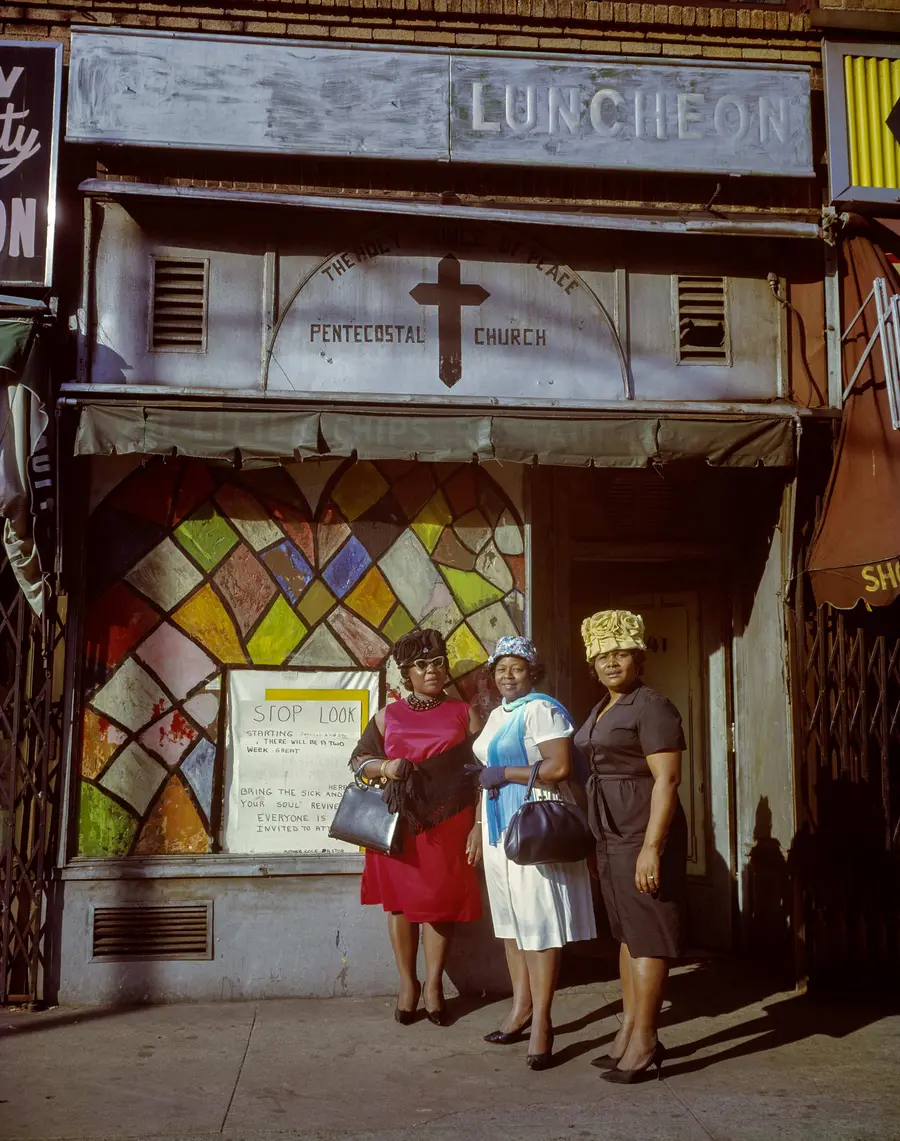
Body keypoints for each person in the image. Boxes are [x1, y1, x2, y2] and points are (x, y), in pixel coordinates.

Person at [468, 635, 596, 1071]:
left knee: (538, 925)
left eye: (516, 667)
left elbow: (558, 767)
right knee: (511, 925)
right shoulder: (497, 715)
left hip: (533, 825)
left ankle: (543, 1019)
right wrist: (476, 824)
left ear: (532, 672)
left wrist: (504, 771)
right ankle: (520, 1008)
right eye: (501, 668)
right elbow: (483, 775)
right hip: (497, 828)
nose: (507, 675)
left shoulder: (541, 708)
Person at [574, 609, 687, 1084]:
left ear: (638, 657)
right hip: (610, 834)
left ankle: (646, 1040)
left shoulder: (651, 705)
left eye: (620, 653)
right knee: (625, 935)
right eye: (602, 655)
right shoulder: (603, 707)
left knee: (647, 936)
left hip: (641, 832)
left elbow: (668, 780)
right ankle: (628, 1030)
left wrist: (651, 847)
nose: (611, 662)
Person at [351, 629, 482, 1026]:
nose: (432, 671)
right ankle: (408, 984)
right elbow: (358, 761)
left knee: (440, 906)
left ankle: (434, 986)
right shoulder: (386, 716)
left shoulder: (465, 713)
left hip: (449, 824)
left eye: (438, 663)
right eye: (422, 665)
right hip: (399, 823)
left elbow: (480, 774)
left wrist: (477, 825)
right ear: (406, 672)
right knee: (400, 905)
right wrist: (385, 766)